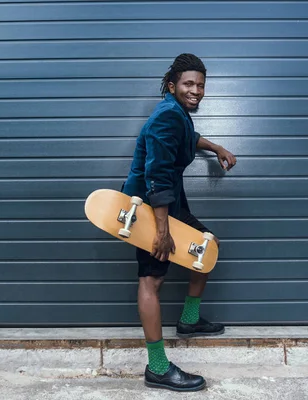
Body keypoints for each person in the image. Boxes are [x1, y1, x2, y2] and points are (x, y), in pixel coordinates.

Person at [121, 53, 237, 391]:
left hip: (170, 202)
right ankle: (157, 367)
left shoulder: (178, 115)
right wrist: (160, 230)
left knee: (207, 248)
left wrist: (216, 147)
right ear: (172, 85)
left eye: (200, 85)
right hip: (148, 206)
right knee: (151, 280)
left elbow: (189, 136)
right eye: (189, 83)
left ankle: (188, 321)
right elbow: (155, 174)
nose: (196, 90)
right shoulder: (166, 118)